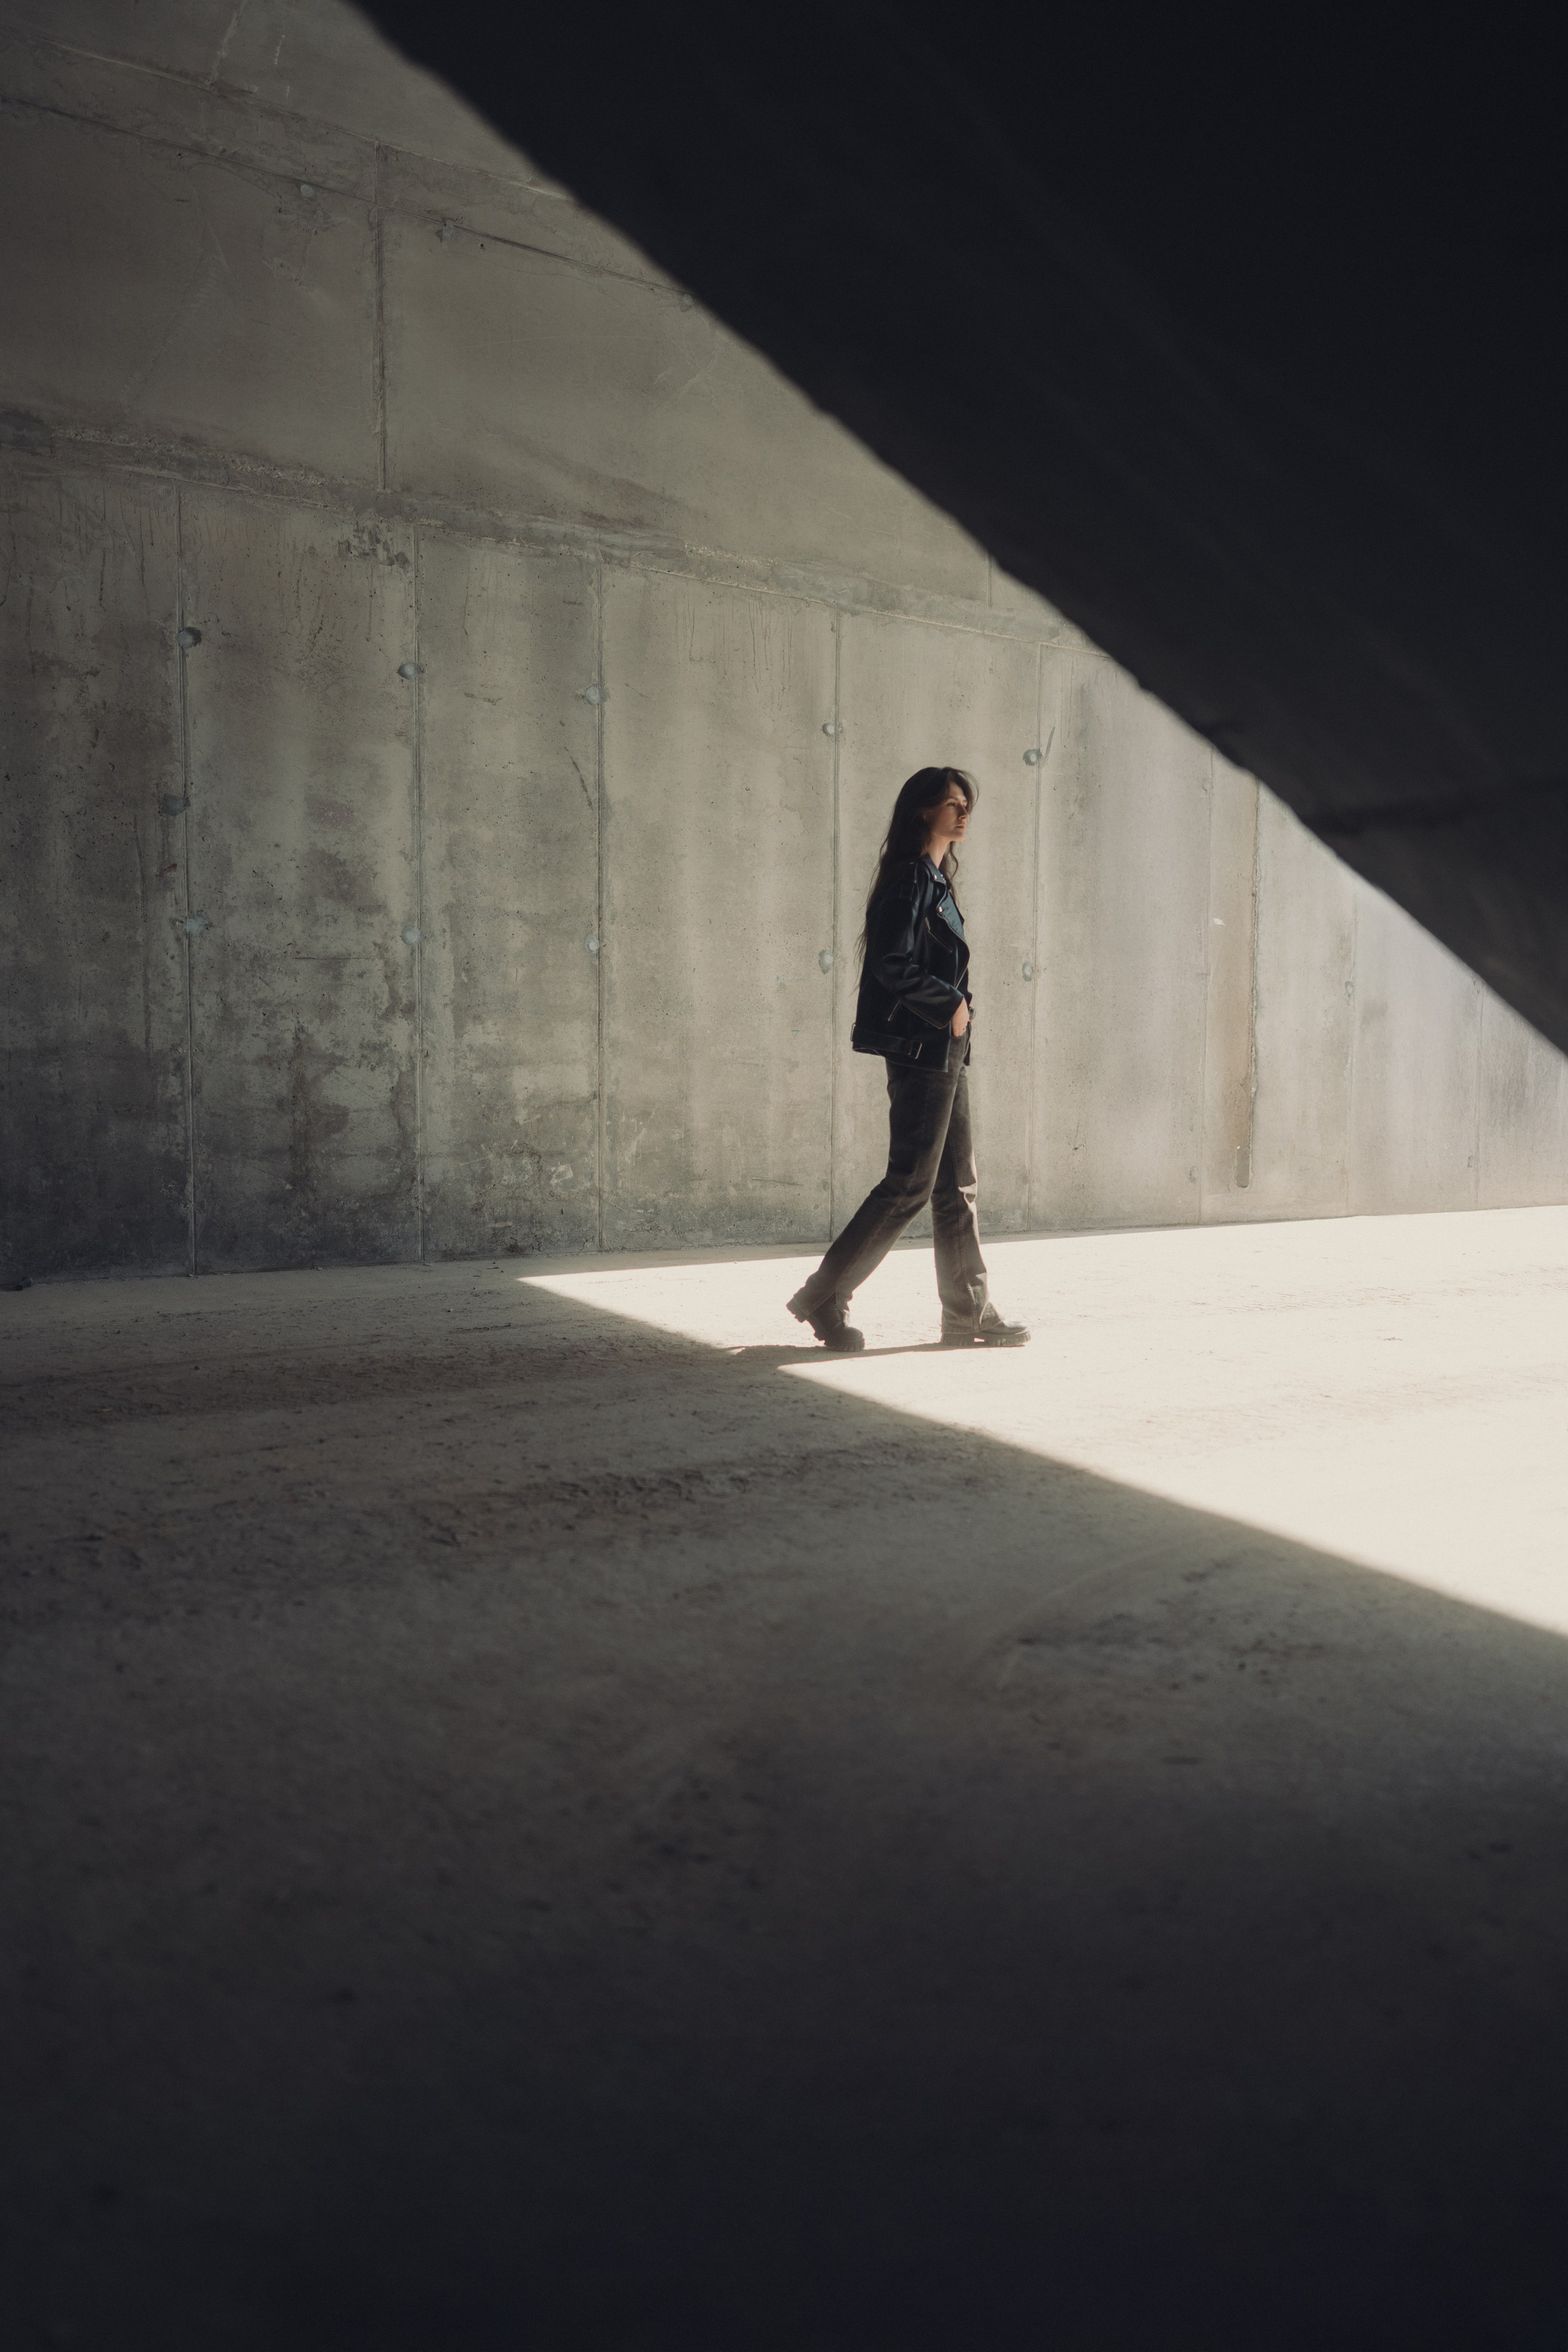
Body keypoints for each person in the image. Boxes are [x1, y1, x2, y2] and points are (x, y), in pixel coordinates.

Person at [788, 766, 1031, 1353]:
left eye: (967, 802)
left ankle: (967, 1314)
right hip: (925, 1046)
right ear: (924, 811)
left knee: (956, 1185)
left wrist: (957, 1015)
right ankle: (825, 1294)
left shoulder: (935, 877)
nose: (963, 812)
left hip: (944, 1043)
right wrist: (950, 1003)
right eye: (952, 803)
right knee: (911, 1184)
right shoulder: (910, 880)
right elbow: (891, 965)